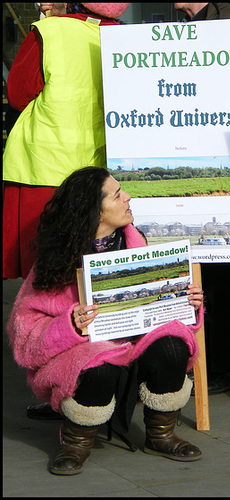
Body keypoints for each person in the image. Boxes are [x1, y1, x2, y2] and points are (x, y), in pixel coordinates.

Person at [6, 166, 205, 475]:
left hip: (136, 345)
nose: (127, 197)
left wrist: (187, 303)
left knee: (172, 346)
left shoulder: (136, 242)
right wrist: (69, 325)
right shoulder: (57, 260)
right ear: (95, 211)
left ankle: (161, 435)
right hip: (86, 351)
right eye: (116, 194)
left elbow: (164, 312)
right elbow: (25, 335)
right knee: (96, 365)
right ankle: (75, 442)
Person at [3, 3, 129, 280]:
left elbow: (18, 94)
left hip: (42, 166)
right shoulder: (129, 39)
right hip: (102, 173)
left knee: (43, 268)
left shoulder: (50, 31)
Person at [174, 2, 230, 395]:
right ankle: (195, 359)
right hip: (190, 157)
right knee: (188, 276)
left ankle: (226, 365)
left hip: (222, 168)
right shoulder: (178, 24)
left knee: (220, 274)